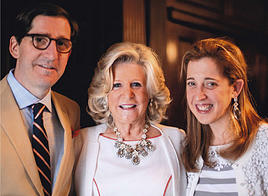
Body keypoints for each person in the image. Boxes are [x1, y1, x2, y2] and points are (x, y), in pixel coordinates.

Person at [73, 42, 186, 196]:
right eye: (117, 85)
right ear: (105, 94)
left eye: (136, 84)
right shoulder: (82, 142)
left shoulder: (177, 140)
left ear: (150, 92)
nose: (128, 94)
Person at [0, 3, 80, 196]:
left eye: (61, 43)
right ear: (14, 47)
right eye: (39, 40)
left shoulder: (72, 111)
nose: (52, 55)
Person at [180, 38, 268, 196]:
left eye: (210, 84)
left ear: (235, 88)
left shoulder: (263, 141)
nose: (199, 96)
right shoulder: (188, 149)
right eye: (192, 83)